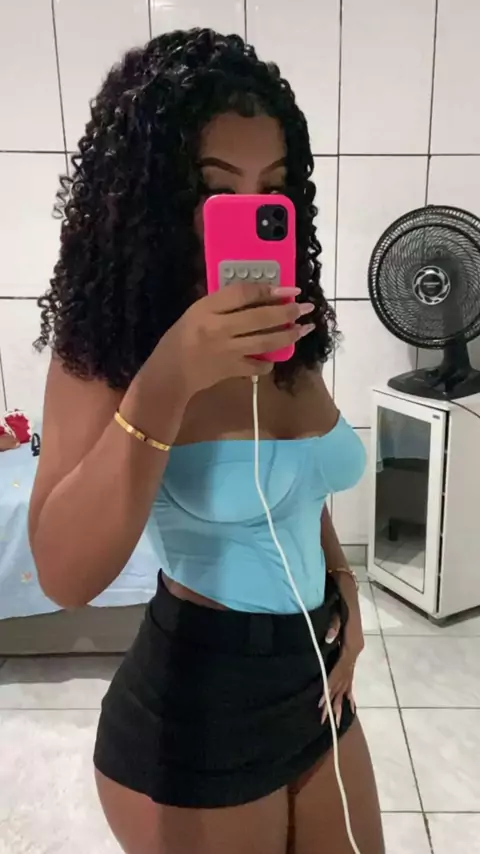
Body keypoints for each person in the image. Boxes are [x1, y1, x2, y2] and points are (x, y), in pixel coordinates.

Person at [29, 28, 384, 854]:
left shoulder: (285, 324)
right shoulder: (109, 349)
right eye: (215, 190)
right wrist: (168, 378)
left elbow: (292, 486)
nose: (250, 213)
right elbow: (64, 575)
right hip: (202, 705)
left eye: (274, 188)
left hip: (316, 680)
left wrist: (343, 590)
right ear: (150, 198)